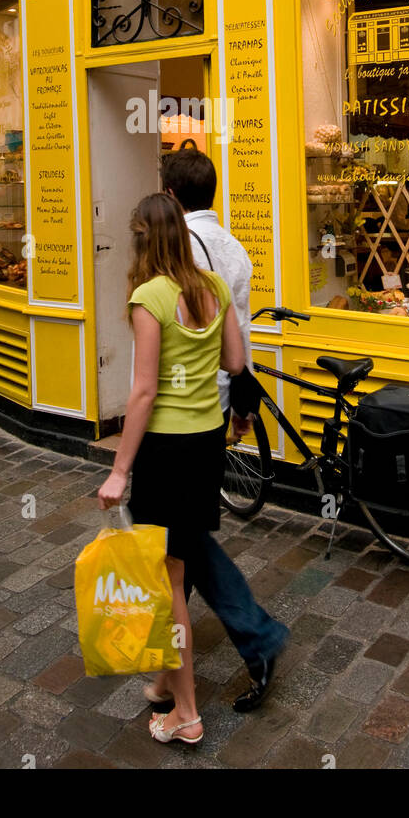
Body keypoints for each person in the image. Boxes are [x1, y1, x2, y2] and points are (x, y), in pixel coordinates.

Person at [98, 192, 246, 746]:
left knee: (172, 582)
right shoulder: (213, 288)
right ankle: (165, 681)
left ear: (140, 239)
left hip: (167, 448)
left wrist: (119, 470)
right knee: (178, 563)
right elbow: (235, 361)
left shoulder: (148, 297)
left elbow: (143, 392)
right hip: (207, 442)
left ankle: (185, 712)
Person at [161, 145, 290, 711]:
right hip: (215, 406)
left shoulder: (180, 250)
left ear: (169, 195)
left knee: (182, 540)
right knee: (181, 539)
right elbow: (242, 340)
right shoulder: (234, 247)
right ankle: (169, 664)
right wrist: (242, 408)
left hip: (183, 409)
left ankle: (256, 635)